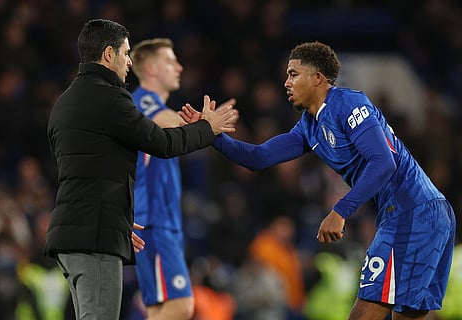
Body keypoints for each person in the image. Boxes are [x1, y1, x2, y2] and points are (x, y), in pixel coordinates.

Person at [180, 41, 456, 320]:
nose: (286, 82)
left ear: (318, 79)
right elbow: (259, 157)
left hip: (413, 212)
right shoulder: (309, 126)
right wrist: (210, 134)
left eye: (293, 74)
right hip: (420, 213)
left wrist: (340, 211)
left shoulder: (349, 103)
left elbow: (384, 161)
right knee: (407, 316)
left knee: (365, 314)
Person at [44, 19, 237, 320]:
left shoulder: (64, 102)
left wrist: (116, 217)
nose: (129, 61)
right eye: (125, 52)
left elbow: (87, 169)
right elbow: (161, 143)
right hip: (94, 237)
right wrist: (206, 128)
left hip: (76, 231)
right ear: (109, 54)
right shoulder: (109, 97)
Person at [129, 37, 235, 320]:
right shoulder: (142, 102)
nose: (179, 66)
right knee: (181, 306)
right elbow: (163, 120)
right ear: (150, 69)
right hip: (153, 220)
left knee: (159, 309)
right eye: (170, 60)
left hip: (159, 220)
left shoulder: (152, 105)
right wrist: (203, 125)